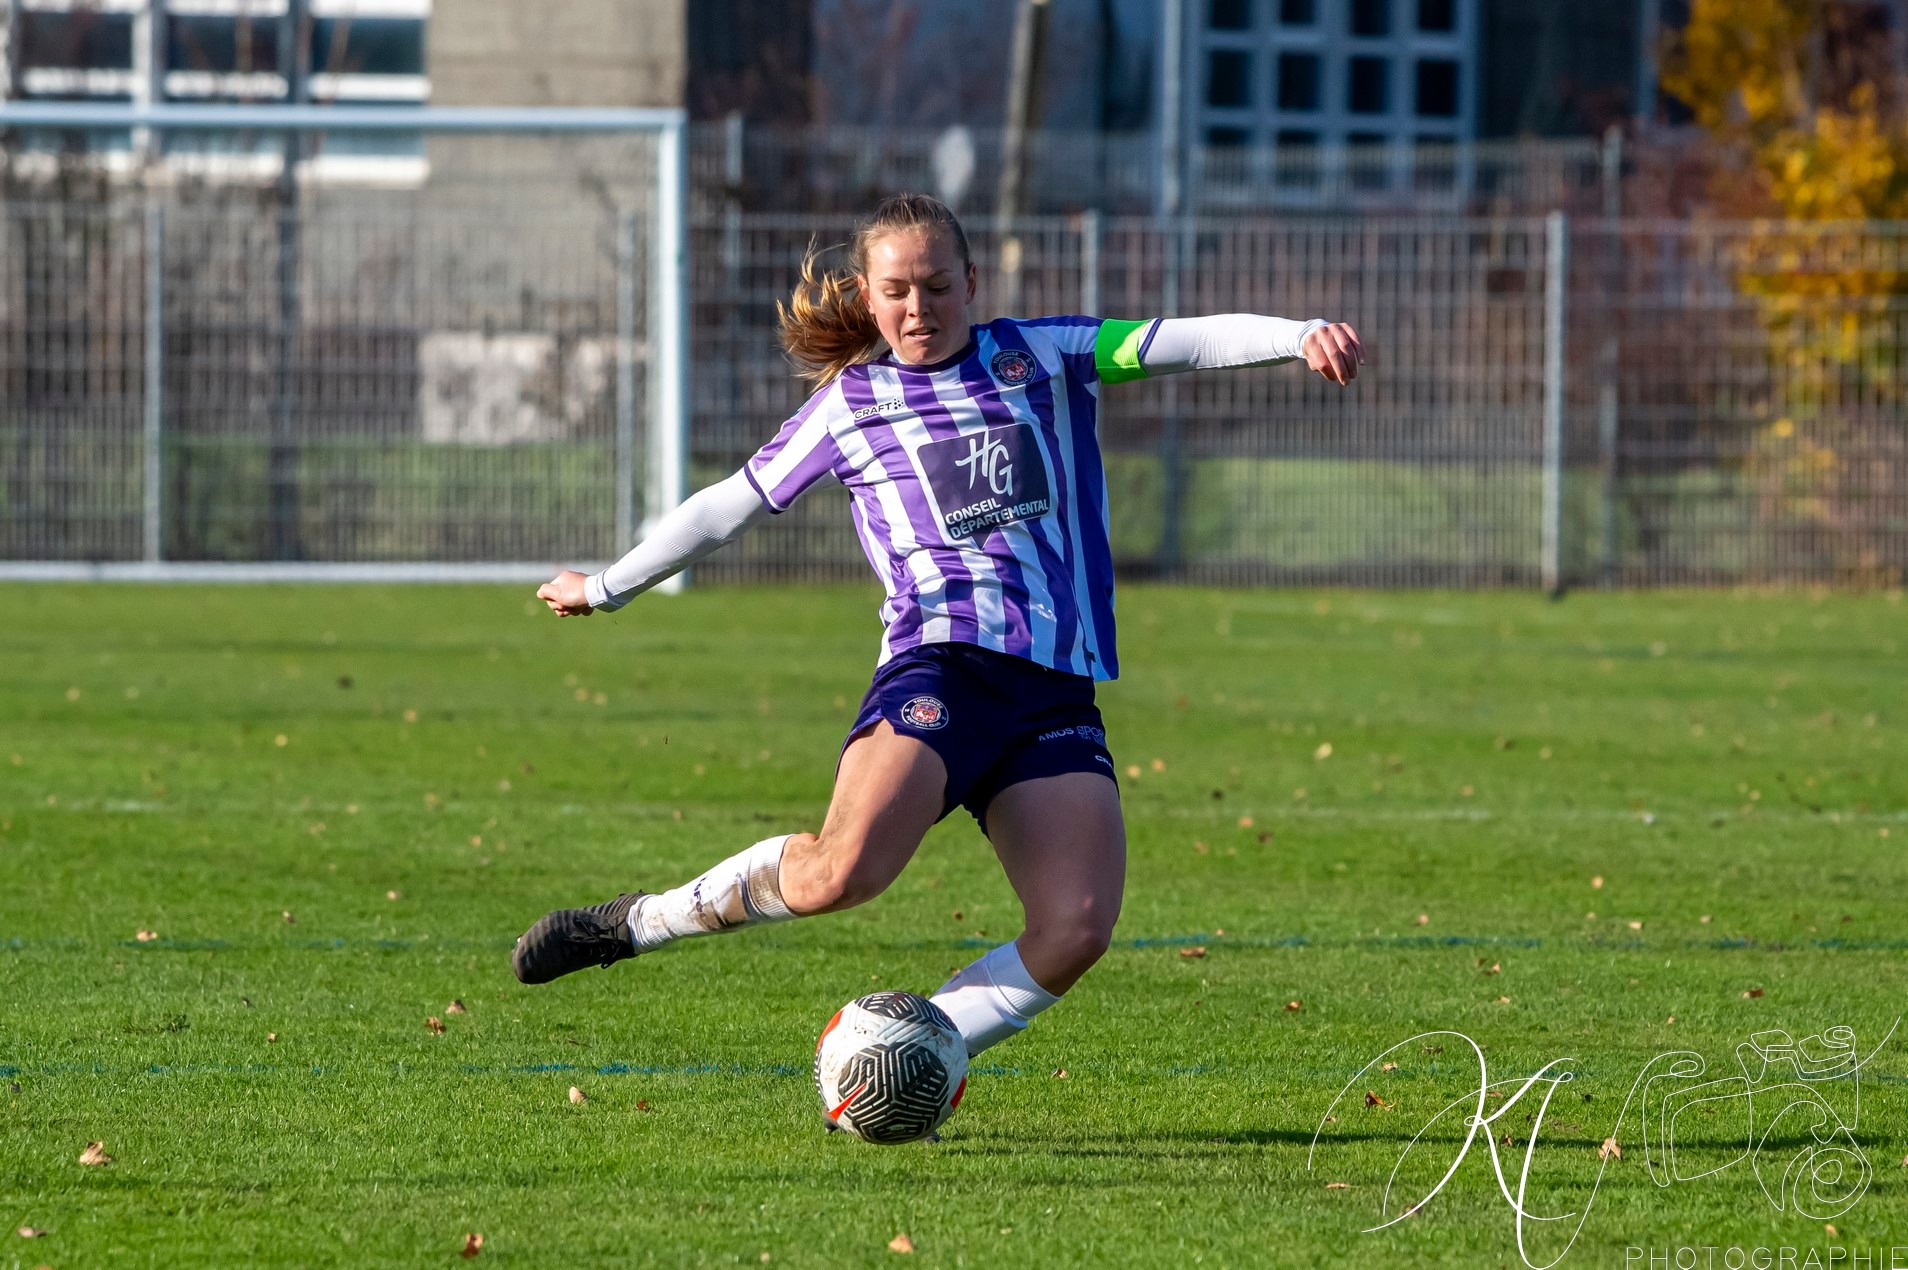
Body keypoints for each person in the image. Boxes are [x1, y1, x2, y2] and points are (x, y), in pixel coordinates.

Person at [512, 193, 1362, 1059]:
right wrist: (606, 587)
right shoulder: (851, 405)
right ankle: (637, 924)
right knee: (841, 872)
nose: (919, 308)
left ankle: (918, 1055)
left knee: (1076, 927)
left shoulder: (1041, 355)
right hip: (941, 665)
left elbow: (1174, 341)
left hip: (1054, 689)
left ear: (972, 282)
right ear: (868, 296)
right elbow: (728, 506)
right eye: (897, 291)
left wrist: (1298, 334)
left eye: (938, 286)